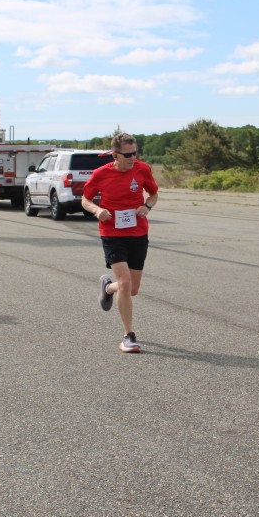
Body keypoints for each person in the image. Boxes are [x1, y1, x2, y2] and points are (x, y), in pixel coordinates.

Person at [81, 132, 159, 353]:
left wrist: (147, 206)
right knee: (125, 283)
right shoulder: (101, 174)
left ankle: (108, 288)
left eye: (135, 153)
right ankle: (128, 336)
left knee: (132, 289)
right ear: (115, 155)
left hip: (138, 233)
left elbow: (153, 194)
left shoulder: (142, 169)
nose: (132, 158)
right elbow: (85, 199)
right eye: (127, 155)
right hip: (112, 233)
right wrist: (97, 210)